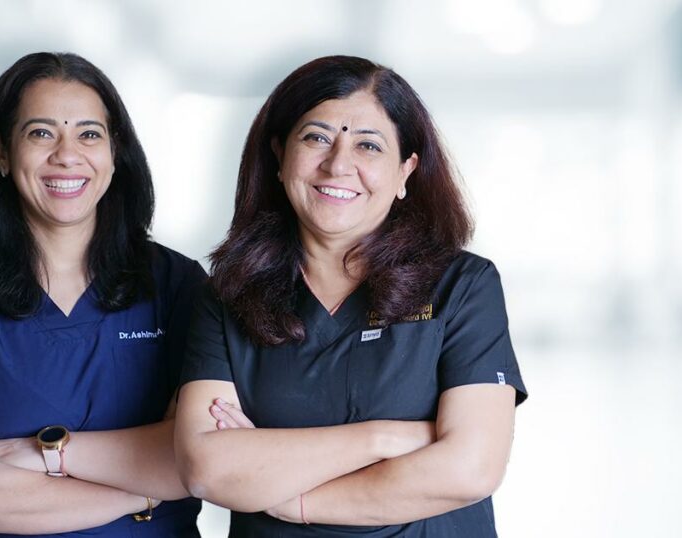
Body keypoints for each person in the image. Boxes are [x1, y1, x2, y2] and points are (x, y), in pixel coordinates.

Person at [174, 55, 528, 537]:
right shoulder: (228, 296)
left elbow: (471, 468)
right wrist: (383, 439)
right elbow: (207, 468)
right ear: (279, 156)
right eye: (316, 138)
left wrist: (294, 501)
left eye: (368, 145)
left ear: (405, 171)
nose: (339, 164)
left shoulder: (463, 286)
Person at [0, 52, 203, 537]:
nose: (67, 154)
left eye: (89, 134)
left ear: (115, 152)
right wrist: (145, 493)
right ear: (2, 152)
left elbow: (205, 453)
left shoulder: (177, 286)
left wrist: (37, 454)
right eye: (41, 133)